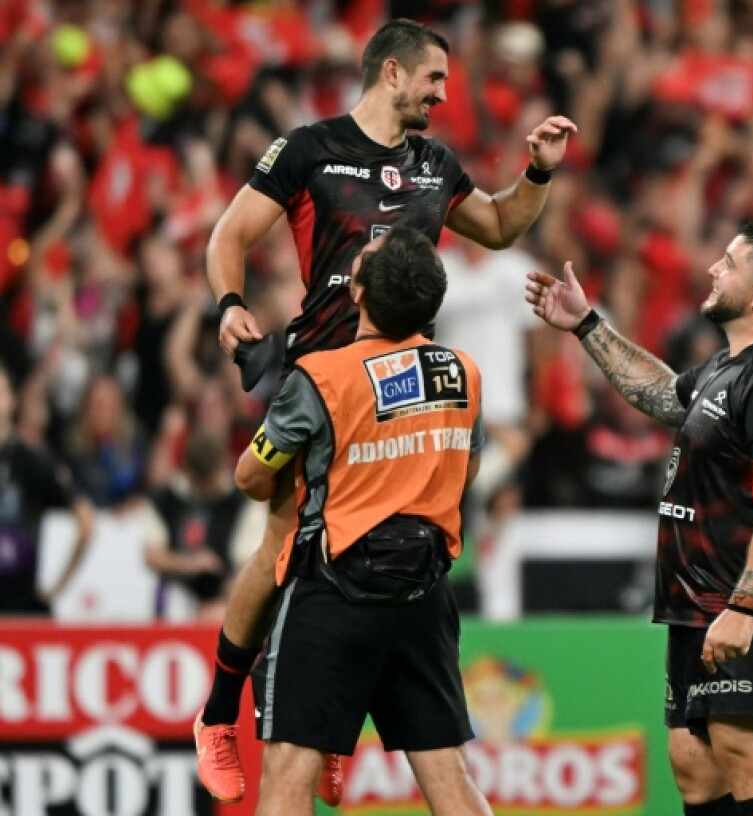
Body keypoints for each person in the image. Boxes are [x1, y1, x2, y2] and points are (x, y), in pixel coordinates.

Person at [197, 17, 574, 804]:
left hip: (403, 392)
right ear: (392, 72)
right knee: (283, 547)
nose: (443, 93)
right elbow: (228, 236)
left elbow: (500, 226)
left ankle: (330, 726)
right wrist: (230, 303)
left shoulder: (436, 164)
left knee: (380, 561)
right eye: (434, 78)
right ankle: (218, 714)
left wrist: (537, 173)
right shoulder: (309, 149)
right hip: (323, 382)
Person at [525, 221, 753, 816]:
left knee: (748, 758)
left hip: (750, 604)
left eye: (730, 263)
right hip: (699, 605)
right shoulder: (729, 366)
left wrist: (745, 608)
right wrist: (587, 326)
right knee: (696, 771)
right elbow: (664, 394)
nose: (713, 268)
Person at [233, 223, 489, 816]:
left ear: (357, 293)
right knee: (451, 780)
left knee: (287, 775)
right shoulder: (463, 372)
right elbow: (466, 472)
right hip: (424, 594)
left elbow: (249, 477)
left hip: (333, 592)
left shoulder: (321, 377)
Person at [0, 366, 95, 615]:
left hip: (19, 609)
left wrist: (56, 588)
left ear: (12, 401)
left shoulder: (33, 461)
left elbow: (86, 522)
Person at [141, 429, 265, 620]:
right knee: (173, 601)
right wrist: (189, 564)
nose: (204, 488)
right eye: (198, 481)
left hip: (225, 596)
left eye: (209, 481)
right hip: (177, 594)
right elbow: (152, 555)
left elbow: (247, 568)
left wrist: (224, 599)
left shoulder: (243, 503)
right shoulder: (166, 500)